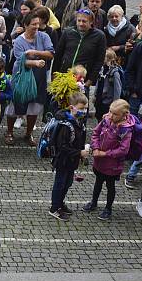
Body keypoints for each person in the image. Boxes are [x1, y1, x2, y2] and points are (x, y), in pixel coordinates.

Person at [6, 10, 54, 145]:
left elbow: (51, 53)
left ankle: (29, 133)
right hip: (21, 77)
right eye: (33, 24)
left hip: (38, 77)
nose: (37, 27)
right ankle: (9, 132)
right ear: (26, 25)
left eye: (38, 24)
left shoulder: (44, 37)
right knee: (16, 104)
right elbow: (20, 59)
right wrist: (35, 62)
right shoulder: (19, 41)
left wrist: (35, 52)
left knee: (35, 105)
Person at [83, 99, 135, 221]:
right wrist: (95, 147)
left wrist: (105, 153)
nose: (110, 116)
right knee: (98, 182)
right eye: (110, 112)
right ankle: (94, 202)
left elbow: (123, 150)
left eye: (115, 114)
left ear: (124, 114)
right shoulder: (106, 120)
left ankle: (108, 208)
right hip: (99, 161)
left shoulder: (126, 130)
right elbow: (96, 133)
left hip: (113, 165)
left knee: (110, 186)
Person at [49, 92, 90, 221]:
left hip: (72, 161)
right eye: (81, 108)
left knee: (67, 183)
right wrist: (79, 153)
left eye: (85, 108)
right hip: (63, 160)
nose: (84, 111)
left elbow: (80, 141)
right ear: (72, 108)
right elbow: (62, 146)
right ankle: (54, 208)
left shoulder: (80, 123)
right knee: (60, 183)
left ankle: (60, 203)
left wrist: (82, 153)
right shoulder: (65, 126)